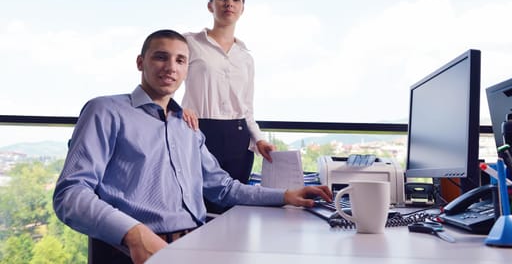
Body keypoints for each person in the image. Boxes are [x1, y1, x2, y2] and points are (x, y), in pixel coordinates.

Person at [53, 29, 332, 264]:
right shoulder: (106, 111)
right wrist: (134, 233)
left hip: (195, 247)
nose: (171, 67)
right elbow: (70, 194)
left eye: (180, 60)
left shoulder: (187, 126)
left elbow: (223, 188)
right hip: (132, 251)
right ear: (140, 62)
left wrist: (285, 195)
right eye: (160, 57)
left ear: (187, 69)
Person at [182, 0, 274, 203]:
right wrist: (178, 110)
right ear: (210, 5)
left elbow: (247, 107)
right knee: (196, 203)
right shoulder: (189, 43)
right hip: (198, 131)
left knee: (235, 206)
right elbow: (166, 80)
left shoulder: (245, 57)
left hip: (238, 137)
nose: (229, 4)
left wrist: (259, 139)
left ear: (242, 9)